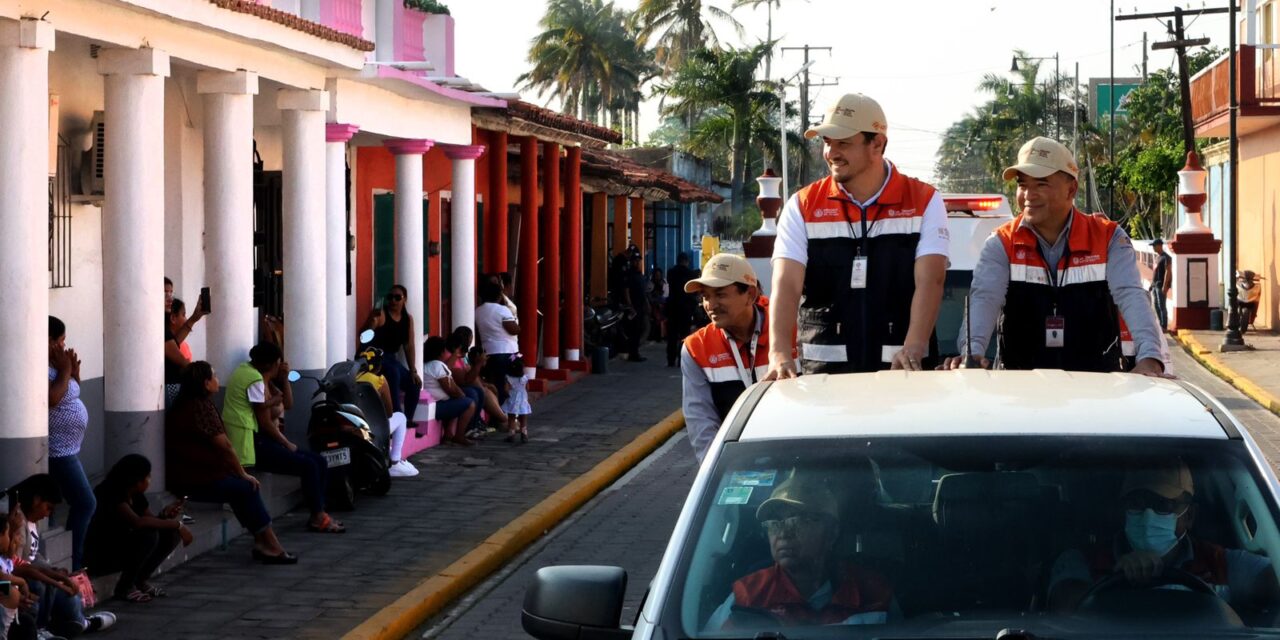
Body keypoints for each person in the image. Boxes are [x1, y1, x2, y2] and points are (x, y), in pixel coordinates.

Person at [943, 137, 1167, 375]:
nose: (1028, 194)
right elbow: (984, 299)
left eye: (1041, 184)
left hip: (1097, 390)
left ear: (1072, 189)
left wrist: (1150, 357)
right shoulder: (1002, 242)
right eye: (1022, 184)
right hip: (1020, 391)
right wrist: (972, 352)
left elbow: (1131, 295)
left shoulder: (1108, 237)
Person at [767, 93, 949, 378]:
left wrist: (914, 346)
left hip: (901, 377)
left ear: (877, 144)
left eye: (843, 143)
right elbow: (786, 284)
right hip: (825, 381)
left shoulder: (924, 200)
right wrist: (778, 353)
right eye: (827, 142)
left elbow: (931, 280)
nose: (831, 153)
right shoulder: (802, 206)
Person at [1047, 459, 1278, 613]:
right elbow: (1062, 610)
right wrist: (1119, 582)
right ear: (1123, 510)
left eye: (1163, 505)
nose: (1149, 515)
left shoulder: (1221, 563)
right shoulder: (1083, 560)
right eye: (1138, 503)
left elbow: (1273, 576)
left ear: (1189, 516)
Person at [706, 475, 894, 629]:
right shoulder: (747, 596)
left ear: (832, 532)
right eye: (774, 524)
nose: (783, 533)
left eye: (797, 521)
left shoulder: (873, 594)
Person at [166, 361, 296, 564]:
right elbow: (225, 445)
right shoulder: (199, 407)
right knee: (246, 487)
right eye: (214, 376)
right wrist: (242, 472)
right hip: (194, 477)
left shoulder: (193, 404)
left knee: (242, 490)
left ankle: (264, 542)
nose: (218, 380)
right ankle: (270, 544)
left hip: (199, 472)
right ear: (206, 383)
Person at [223, 343, 344, 534]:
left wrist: (284, 379)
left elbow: (287, 403)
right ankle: (318, 516)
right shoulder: (255, 380)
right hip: (257, 443)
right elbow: (264, 422)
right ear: (272, 363)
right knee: (309, 465)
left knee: (319, 461)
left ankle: (318, 511)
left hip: (264, 439)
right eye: (279, 362)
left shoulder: (262, 378)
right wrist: (286, 443)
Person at [681, 254, 784, 461]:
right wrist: (717, 472)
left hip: (792, 458)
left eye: (720, 294)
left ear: (750, 294)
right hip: (736, 461)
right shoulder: (695, 349)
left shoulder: (789, 332)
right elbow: (701, 424)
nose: (710, 305)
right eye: (705, 296)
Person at [6, 475, 115, 636]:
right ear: (36, 500)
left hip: (21, 577)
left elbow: (29, 559)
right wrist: (56, 580)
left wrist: (56, 573)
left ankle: (78, 622)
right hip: (14, 583)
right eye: (48, 508)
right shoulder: (16, 523)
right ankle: (41, 629)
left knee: (66, 592)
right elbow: (18, 567)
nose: (48, 514)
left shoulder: (28, 521)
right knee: (40, 586)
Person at [84, 455, 190, 603]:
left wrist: (165, 516)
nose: (149, 480)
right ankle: (124, 587)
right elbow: (138, 523)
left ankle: (140, 580)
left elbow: (151, 520)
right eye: (147, 476)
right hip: (103, 553)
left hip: (123, 547)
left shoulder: (136, 494)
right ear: (136, 479)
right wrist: (178, 524)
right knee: (149, 535)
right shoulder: (109, 492)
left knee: (169, 533)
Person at [47, 316, 95, 572]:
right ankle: (73, 563)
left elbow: (69, 394)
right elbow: (53, 398)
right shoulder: (41, 367)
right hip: (57, 450)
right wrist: (66, 372)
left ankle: (64, 561)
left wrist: (73, 375)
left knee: (53, 505)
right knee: (85, 502)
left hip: (69, 448)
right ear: (49, 340)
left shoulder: (55, 364)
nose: (64, 347)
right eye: (61, 341)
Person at [361, 285, 422, 424]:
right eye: (390, 297)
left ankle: (408, 419)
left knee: (415, 383)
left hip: (392, 358)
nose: (393, 301)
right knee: (394, 373)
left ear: (404, 299)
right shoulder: (382, 315)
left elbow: (409, 345)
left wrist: (413, 370)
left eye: (397, 297)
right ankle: (397, 416)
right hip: (375, 358)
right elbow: (364, 336)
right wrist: (372, 322)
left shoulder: (407, 319)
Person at [354, 347, 416, 478]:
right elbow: (389, 412)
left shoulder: (351, 379)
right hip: (373, 428)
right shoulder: (380, 380)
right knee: (401, 417)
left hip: (355, 426)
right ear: (379, 366)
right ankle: (395, 461)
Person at [444, 331, 506, 438]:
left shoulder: (461, 357)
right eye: (469, 340)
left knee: (482, 390)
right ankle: (471, 426)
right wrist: (478, 364)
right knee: (475, 392)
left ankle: (477, 423)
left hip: (461, 385)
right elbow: (464, 380)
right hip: (453, 387)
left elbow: (468, 375)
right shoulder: (451, 356)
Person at [419, 336, 477, 447]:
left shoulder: (424, 365)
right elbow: (451, 390)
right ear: (441, 352)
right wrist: (462, 396)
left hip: (433, 405)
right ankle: (459, 436)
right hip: (437, 406)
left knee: (458, 401)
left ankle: (448, 435)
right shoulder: (437, 365)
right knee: (469, 404)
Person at [476, 280, 522, 406]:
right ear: (498, 296)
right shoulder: (503, 310)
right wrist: (518, 324)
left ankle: (496, 412)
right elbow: (514, 330)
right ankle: (507, 413)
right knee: (510, 382)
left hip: (489, 352)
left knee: (495, 382)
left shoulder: (478, 311)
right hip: (508, 353)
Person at [164, 297, 206, 405]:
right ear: (173, 318)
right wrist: (205, 374)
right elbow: (182, 361)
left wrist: (195, 317)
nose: (168, 296)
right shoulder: (164, 334)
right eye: (183, 315)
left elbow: (176, 340)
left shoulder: (169, 337)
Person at [665, 253, 698, 368]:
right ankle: (681, 360)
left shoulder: (671, 272)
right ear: (687, 261)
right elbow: (694, 292)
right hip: (686, 308)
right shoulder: (691, 274)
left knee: (672, 335)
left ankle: (670, 359)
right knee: (684, 335)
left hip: (673, 307)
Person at [623, 253, 651, 362]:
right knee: (633, 331)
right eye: (635, 260)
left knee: (639, 330)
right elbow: (626, 291)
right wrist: (630, 306)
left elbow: (643, 293)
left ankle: (635, 352)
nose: (637, 262)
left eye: (639, 260)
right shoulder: (629, 275)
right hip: (633, 307)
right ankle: (633, 354)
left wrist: (647, 304)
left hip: (640, 306)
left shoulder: (640, 275)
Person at [501, 356, 531, 444]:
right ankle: (524, 433)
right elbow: (528, 388)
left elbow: (506, 389)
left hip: (512, 399)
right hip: (523, 400)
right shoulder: (525, 378)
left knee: (511, 417)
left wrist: (507, 393)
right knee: (523, 417)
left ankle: (511, 434)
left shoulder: (508, 378)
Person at [1150, 238, 1172, 331]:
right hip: (1155, 285)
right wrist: (1152, 284)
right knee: (1156, 305)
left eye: (1154, 246)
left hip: (1161, 285)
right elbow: (1155, 271)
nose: (1153, 248)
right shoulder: (1157, 257)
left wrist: (1165, 285)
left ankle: (1164, 325)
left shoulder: (1166, 257)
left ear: (1159, 245)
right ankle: (1160, 323)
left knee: (1162, 305)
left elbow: (1168, 271)